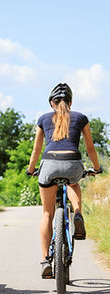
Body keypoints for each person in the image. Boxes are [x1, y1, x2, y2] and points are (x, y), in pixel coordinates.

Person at [26, 83, 102, 278]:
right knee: (73, 183)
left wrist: (31, 170)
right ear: (70, 102)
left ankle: (45, 260)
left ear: (52, 102)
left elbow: (36, 150)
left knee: (46, 213)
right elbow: (91, 148)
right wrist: (97, 168)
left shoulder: (43, 119)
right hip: (72, 163)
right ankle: (77, 213)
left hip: (49, 165)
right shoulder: (80, 118)